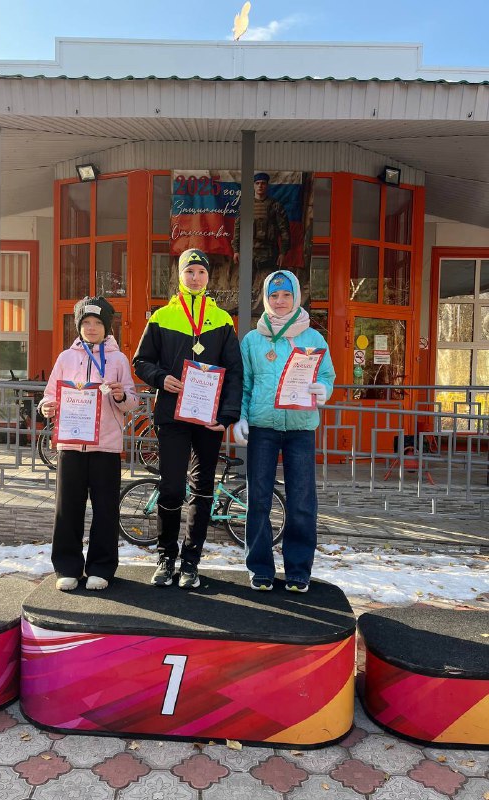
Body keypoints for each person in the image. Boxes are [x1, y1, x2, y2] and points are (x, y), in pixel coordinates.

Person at [133, 248, 243, 589]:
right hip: (172, 416)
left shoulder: (222, 320)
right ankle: (166, 558)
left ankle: (191, 561)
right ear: (179, 276)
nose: (195, 278)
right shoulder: (162, 317)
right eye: (189, 272)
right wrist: (161, 378)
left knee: (203, 488)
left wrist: (227, 416)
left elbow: (235, 371)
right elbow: (141, 362)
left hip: (209, 420)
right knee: (170, 487)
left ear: (208, 277)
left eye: (201, 272)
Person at [233, 270, 335, 592]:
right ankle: (260, 568)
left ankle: (298, 570)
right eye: (274, 295)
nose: (280, 301)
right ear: (265, 299)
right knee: (258, 499)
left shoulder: (313, 338)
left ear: (296, 297)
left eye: (286, 295)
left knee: (302, 500)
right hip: (262, 427)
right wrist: (240, 418)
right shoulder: (252, 340)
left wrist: (324, 389)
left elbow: (328, 375)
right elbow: (245, 384)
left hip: (300, 429)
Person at [40, 296, 139, 592]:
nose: (92, 328)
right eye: (86, 322)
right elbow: (50, 394)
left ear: (107, 327)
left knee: (106, 510)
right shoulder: (65, 358)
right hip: (71, 446)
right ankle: (67, 567)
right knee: (67, 509)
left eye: (97, 322)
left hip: (105, 447)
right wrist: (47, 407)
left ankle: (101, 567)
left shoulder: (119, 360)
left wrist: (121, 396)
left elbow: (132, 402)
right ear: (78, 326)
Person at [231, 172, 291, 310]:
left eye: (263, 183)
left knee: (271, 284)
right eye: (257, 183)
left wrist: (283, 252)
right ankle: (243, 309)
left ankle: (269, 309)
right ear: (253, 186)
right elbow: (238, 229)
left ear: (267, 185)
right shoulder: (246, 206)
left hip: (269, 251)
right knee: (245, 283)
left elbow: (284, 230)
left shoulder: (275, 206)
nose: (260, 186)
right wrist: (236, 250)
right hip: (249, 250)